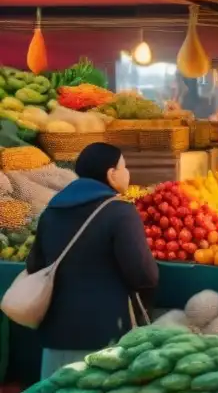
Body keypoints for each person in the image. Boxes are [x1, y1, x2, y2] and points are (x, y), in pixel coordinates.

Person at [26, 143, 157, 379]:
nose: (128, 173)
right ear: (111, 174)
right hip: (104, 339)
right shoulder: (120, 212)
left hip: (55, 336)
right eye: (124, 167)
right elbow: (144, 275)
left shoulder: (51, 211)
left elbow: (34, 265)